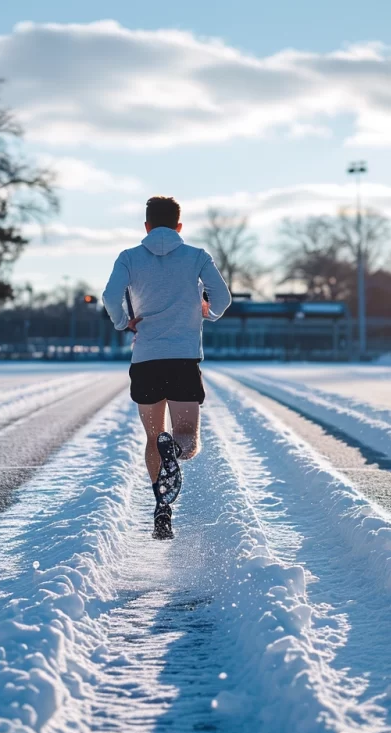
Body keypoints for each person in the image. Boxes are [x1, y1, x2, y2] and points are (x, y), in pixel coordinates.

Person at [102, 196, 231, 540]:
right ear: (179, 227)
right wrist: (209, 311)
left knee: (152, 437)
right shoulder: (197, 257)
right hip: (184, 358)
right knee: (186, 441)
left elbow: (109, 296)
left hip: (145, 360)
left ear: (146, 226)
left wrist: (123, 322)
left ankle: (162, 505)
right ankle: (173, 450)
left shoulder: (129, 258)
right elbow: (223, 298)